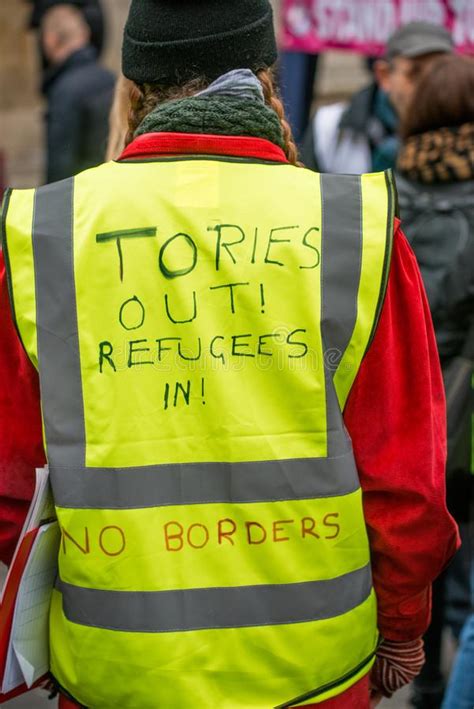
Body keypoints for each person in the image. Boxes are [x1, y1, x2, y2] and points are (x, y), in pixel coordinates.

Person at [0, 1, 459, 707]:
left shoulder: (47, 234)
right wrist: (402, 624)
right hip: (311, 671)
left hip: (117, 672)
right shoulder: (353, 228)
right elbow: (406, 482)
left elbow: (10, 491)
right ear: (267, 76)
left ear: (134, 86)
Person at [396, 53, 474, 709]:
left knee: (427, 550)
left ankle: (424, 677)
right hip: (469, 409)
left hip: (413, 409)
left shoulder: (386, 192)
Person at [301, 21, 453, 174]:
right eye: (414, 73)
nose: (428, 84)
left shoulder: (463, 133)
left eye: (439, 73)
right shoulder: (328, 128)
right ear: (384, 75)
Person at [40, 3, 115, 183]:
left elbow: (60, 166)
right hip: (112, 191)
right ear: (85, 34)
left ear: (50, 39)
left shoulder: (63, 90)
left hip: (82, 198)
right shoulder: (112, 80)